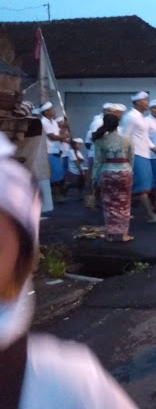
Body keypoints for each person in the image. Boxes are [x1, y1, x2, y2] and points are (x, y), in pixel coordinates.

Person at [0, 132, 138, 408]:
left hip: (111, 174)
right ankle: (118, 234)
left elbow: (97, 159)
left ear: (21, 261)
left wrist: (96, 175)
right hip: (121, 173)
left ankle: (115, 233)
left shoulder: (64, 383)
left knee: (113, 207)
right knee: (119, 207)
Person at [120, 92, 156, 224]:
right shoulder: (130, 117)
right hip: (136, 154)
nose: (147, 102)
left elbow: (145, 138)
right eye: (145, 100)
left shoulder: (142, 118)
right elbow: (124, 137)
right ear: (137, 102)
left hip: (144, 154)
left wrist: (155, 150)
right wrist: (125, 157)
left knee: (142, 186)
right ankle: (150, 215)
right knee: (142, 187)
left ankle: (123, 211)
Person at [92, 114, 135, 243]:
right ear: (118, 124)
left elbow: (98, 161)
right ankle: (124, 235)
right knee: (124, 203)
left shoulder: (100, 141)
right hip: (125, 172)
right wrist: (129, 170)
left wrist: (94, 178)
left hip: (107, 172)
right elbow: (131, 158)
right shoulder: (127, 140)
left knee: (108, 203)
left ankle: (110, 235)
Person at [40, 102, 68, 203]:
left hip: (57, 150)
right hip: (49, 151)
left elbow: (58, 135)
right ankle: (55, 196)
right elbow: (52, 136)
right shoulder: (44, 122)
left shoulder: (54, 122)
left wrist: (64, 129)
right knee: (53, 175)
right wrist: (63, 137)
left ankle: (55, 196)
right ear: (46, 112)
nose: (54, 111)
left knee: (58, 174)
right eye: (52, 109)